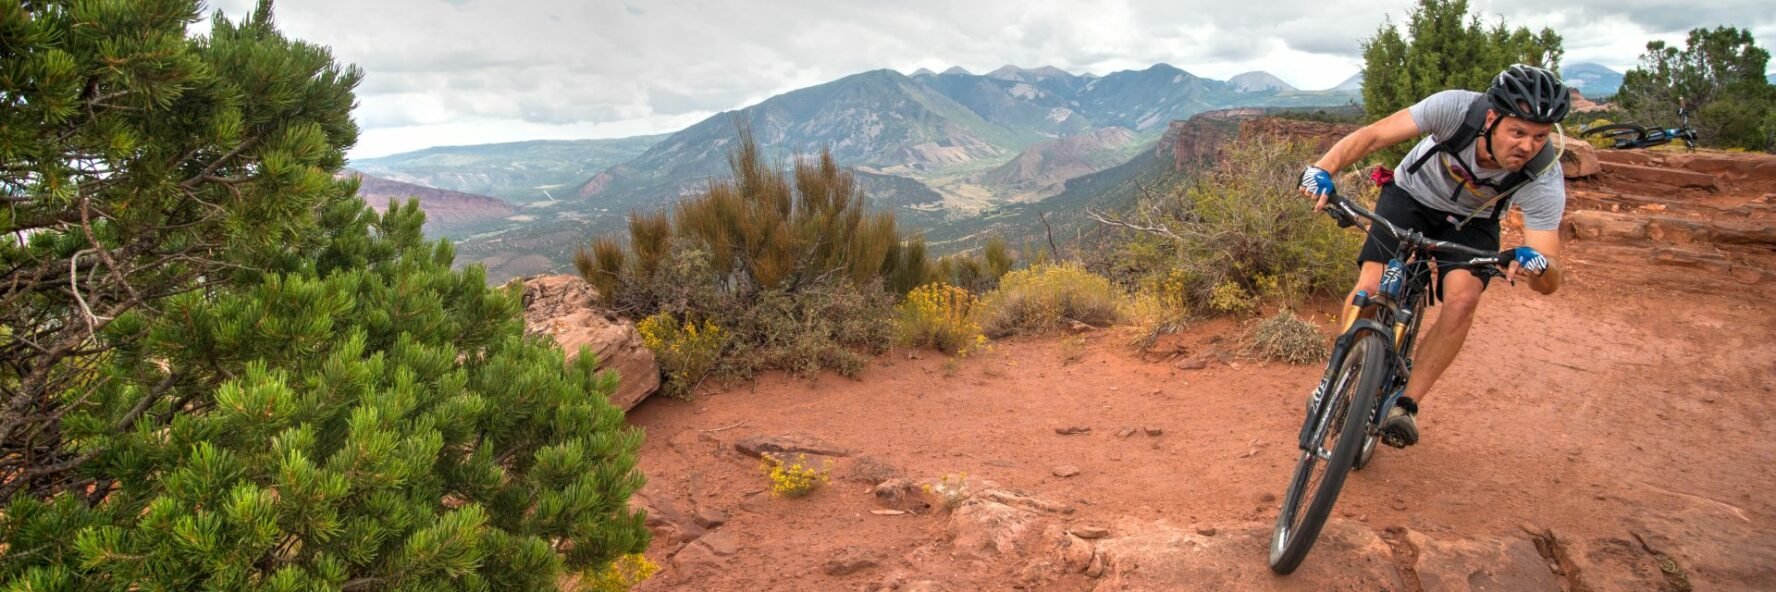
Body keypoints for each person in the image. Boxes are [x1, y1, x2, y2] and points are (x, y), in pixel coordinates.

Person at [1297, 64, 1570, 447]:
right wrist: (1322, 169)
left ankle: (1404, 405)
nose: (1527, 146)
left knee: (1463, 298)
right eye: (1518, 132)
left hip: (1472, 222)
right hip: (1410, 195)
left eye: (1539, 136)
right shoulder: (1454, 110)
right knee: (1372, 284)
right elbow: (1373, 135)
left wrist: (1538, 266)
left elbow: (1551, 278)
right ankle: (1333, 375)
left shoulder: (1542, 176)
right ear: (1491, 119)